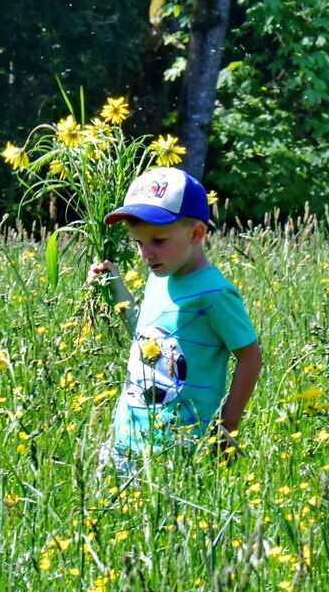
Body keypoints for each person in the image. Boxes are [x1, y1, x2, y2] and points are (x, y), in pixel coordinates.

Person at [88, 166, 262, 473]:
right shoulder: (160, 277)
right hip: (127, 437)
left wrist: (227, 424)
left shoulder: (215, 293)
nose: (146, 254)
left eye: (158, 240)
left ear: (195, 234)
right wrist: (114, 283)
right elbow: (146, 335)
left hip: (179, 447)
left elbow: (250, 358)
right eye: (139, 243)